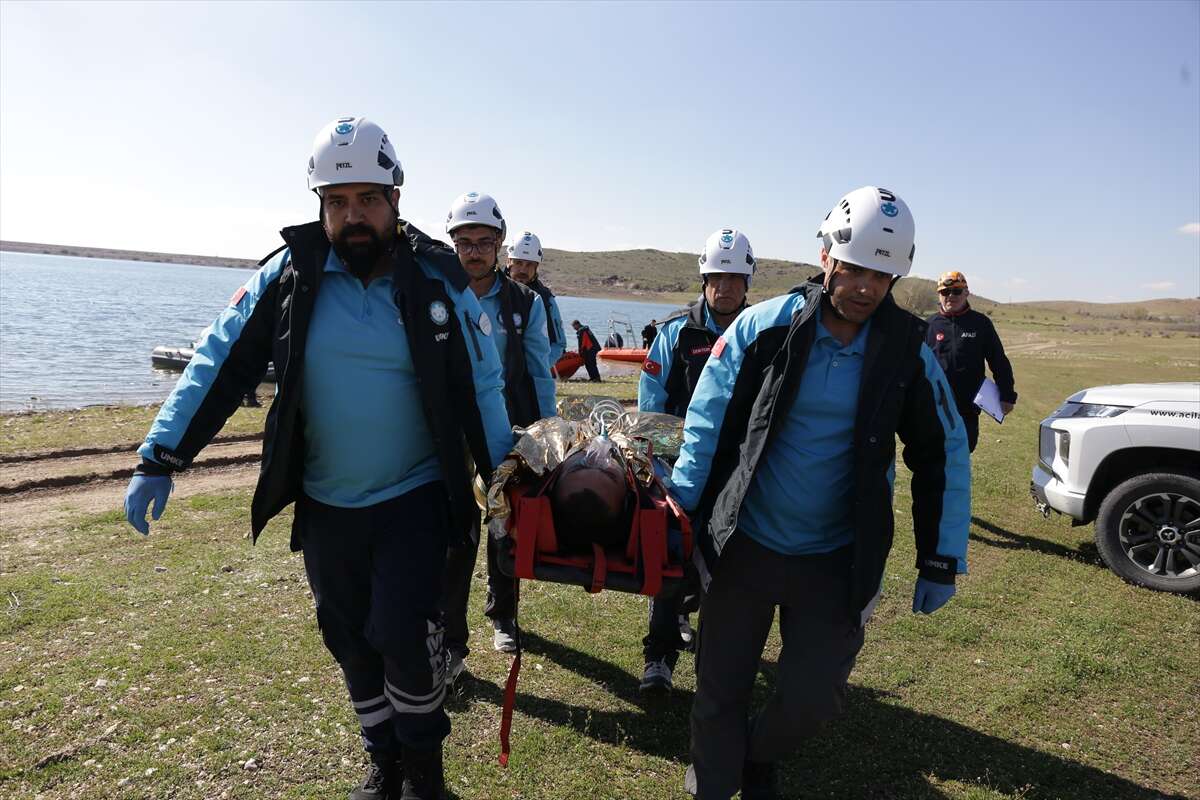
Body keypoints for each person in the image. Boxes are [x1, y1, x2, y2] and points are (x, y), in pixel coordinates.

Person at [121, 116, 514, 800]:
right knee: (347, 636)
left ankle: (424, 772)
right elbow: (219, 360)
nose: (352, 216)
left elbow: (481, 386)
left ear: (395, 199)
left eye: (367, 199)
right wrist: (161, 454)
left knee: (403, 633)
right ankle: (383, 761)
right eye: (336, 201)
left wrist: (506, 481)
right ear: (320, 205)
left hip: (416, 495)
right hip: (327, 500)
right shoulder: (289, 275)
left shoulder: (437, 278)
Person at [670, 187, 970, 800]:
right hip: (743, 545)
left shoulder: (907, 351)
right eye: (854, 269)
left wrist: (940, 558)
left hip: (836, 559)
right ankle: (714, 784)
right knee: (719, 688)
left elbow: (943, 452)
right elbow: (706, 422)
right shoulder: (764, 327)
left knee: (813, 698)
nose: (865, 288)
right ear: (826, 256)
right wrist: (682, 511)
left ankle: (757, 756)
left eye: (881, 276)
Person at [440, 192, 555, 679]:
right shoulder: (436, 293)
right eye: (464, 242)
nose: (473, 252)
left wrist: (549, 433)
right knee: (455, 532)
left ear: (499, 244)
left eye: (483, 242)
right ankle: (450, 641)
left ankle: (503, 614)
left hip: (504, 429)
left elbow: (540, 370)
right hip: (447, 431)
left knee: (505, 524)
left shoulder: (526, 303)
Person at [636, 228, 755, 694]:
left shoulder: (765, 334)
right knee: (669, 555)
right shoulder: (676, 333)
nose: (725, 288)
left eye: (734, 278)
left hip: (740, 472)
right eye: (717, 278)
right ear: (704, 280)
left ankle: (713, 659)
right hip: (681, 466)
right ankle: (658, 657)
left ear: (747, 282)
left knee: (728, 564)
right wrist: (661, 464)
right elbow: (651, 405)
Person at [925, 270, 1017, 452]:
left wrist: (1007, 395)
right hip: (933, 409)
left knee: (962, 456)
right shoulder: (928, 325)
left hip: (966, 410)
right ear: (939, 294)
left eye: (957, 291)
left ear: (966, 293)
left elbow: (998, 360)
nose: (951, 296)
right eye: (945, 292)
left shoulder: (981, 323)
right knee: (931, 458)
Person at [507, 230, 567, 369]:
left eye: (529, 264)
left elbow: (558, 344)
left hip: (529, 376)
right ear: (509, 262)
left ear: (536, 267)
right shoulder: (491, 289)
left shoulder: (545, 299)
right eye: (519, 263)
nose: (523, 270)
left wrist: (539, 369)